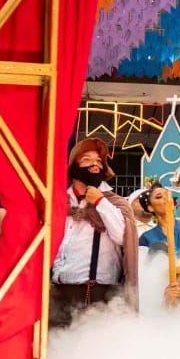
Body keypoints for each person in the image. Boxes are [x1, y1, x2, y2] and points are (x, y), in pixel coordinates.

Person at [49, 137, 139, 328]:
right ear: (74, 167)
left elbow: (123, 237)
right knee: (57, 344)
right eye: (87, 159)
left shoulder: (114, 202)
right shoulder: (59, 202)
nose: (95, 164)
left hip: (97, 294)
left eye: (99, 161)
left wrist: (100, 202)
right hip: (59, 293)